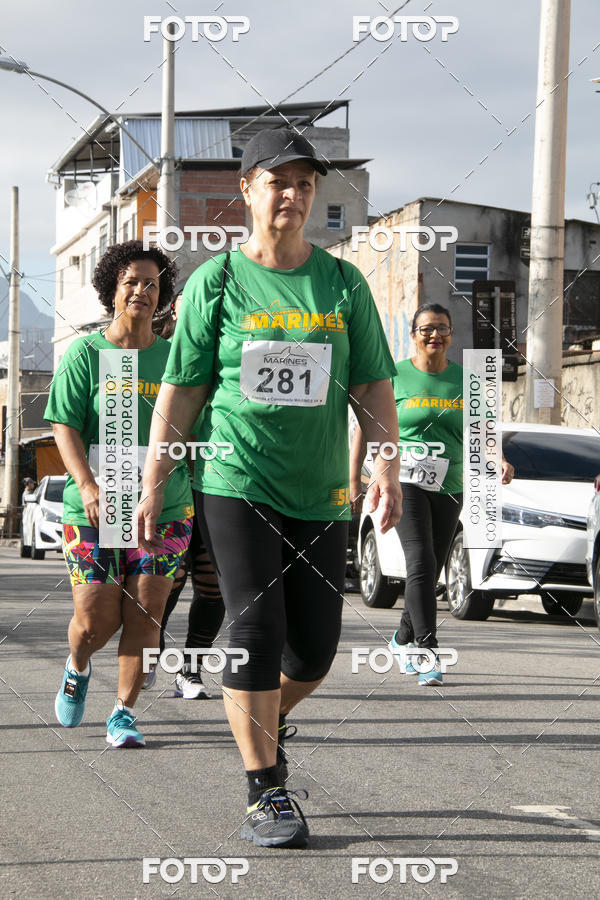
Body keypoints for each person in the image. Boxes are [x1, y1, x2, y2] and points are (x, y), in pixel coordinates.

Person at [137, 126, 402, 847]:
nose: (292, 194)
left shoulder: (342, 283)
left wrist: (384, 463)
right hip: (234, 475)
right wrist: (154, 480)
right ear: (248, 189)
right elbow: (183, 390)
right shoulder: (217, 283)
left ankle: (263, 715)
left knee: (313, 650)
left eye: (305, 183)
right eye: (277, 181)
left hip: (320, 491)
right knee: (255, 626)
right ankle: (265, 789)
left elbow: (373, 383)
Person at [45, 240, 193, 747]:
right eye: (131, 281)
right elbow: (63, 424)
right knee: (96, 620)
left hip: (165, 506)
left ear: (163, 297)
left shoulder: (176, 360)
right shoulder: (88, 353)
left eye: (152, 283)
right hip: (95, 508)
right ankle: (78, 665)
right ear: (112, 290)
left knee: (146, 611)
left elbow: (198, 428)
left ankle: (124, 713)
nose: (141, 291)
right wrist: (86, 484)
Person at [350, 303, 514, 686]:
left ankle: (402, 637)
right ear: (413, 335)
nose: (434, 335)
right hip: (402, 480)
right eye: (426, 329)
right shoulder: (395, 377)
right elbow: (364, 428)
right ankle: (426, 651)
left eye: (442, 328)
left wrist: (500, 458)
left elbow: (485, 427)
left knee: (432, 568)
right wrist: (355, 479)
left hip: (450, 483)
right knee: (421, 561)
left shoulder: (468, 381)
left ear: (451, 334)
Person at [142, 282, 226, 699]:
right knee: (167, 585)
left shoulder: (222, 355)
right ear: (176, 309)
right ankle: (150, 652)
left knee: (214, 585)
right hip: (171, 492)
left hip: (214, 489)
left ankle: (190, 670)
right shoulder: (155, 354)